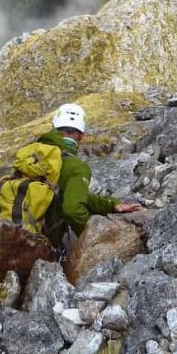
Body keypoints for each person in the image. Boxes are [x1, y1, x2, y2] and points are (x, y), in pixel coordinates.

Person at [38, 103, 142, 249]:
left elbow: (73, 193)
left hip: (12, 227)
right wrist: (91, 238)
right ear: (82, 136)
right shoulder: (75, 166)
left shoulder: (31, 155)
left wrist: (111, 204)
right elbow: (73, 209)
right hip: (38, 243)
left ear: (53, 128)